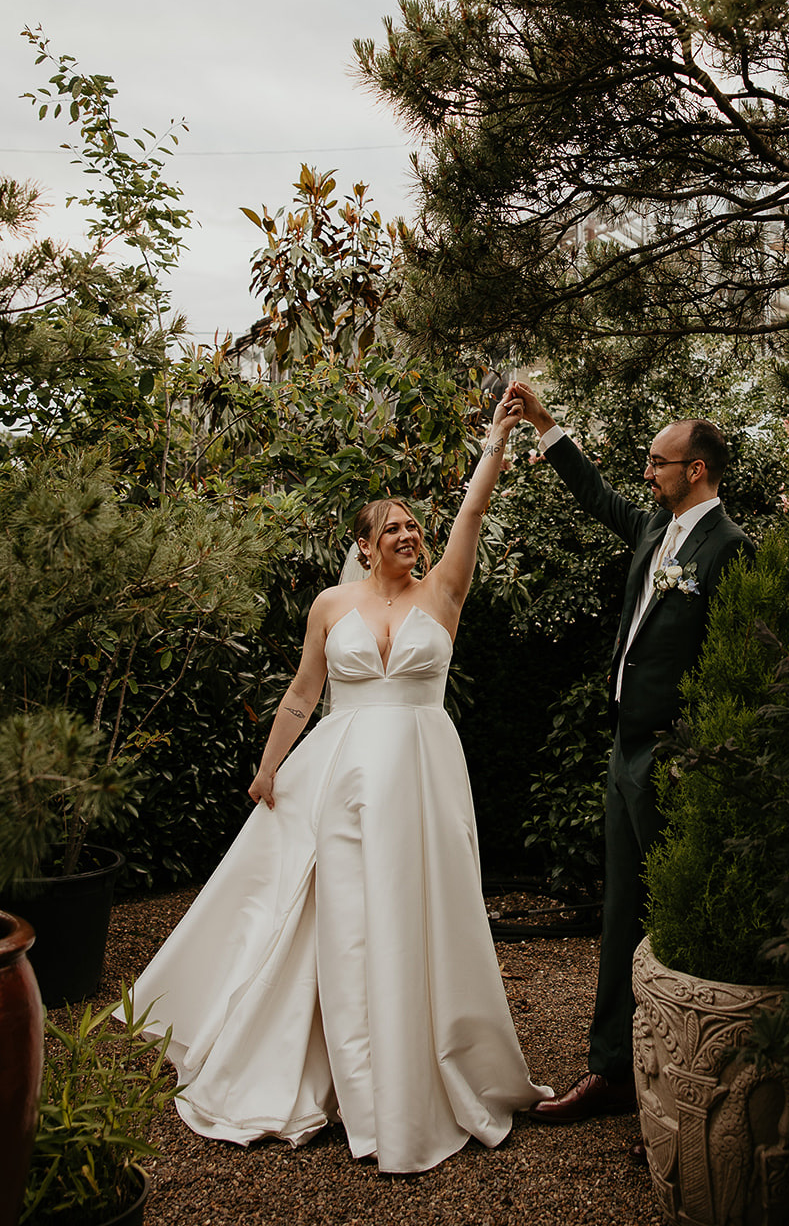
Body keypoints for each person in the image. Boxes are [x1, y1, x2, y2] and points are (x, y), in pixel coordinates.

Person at [122, 395, 550, 1175]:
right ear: (361, 545)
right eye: (391, 526)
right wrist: (267, 766)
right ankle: (354, 1075)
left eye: (413, 525)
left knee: (422, 910)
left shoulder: (443, 593)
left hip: (423, 776)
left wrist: (494, 443)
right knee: (348, 918)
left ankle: (429, 1060)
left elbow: (474, 516)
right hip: (344, 775)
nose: (408, 534)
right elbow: (300, 692)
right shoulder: (331, 605)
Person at [505, 380, 754, 1133]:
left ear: (697, 471)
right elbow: (594, 495)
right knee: (619, 911)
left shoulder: (730, 550)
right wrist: (547, 425)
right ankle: (610, 1069)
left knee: (681, 912)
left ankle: (700, 1077)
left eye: (658, 462)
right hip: (624, 749)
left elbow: (734, 667)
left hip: (673, 756)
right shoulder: (656, 527)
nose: (646, 473)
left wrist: (692, 757)